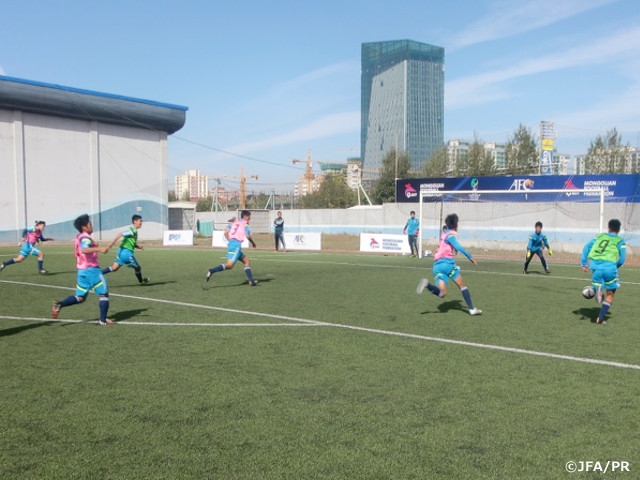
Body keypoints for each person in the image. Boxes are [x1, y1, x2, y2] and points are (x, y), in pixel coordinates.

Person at [51, 214, 113, 325]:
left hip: (81, 272)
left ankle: (60, 304)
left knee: (80, 297)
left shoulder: (78, 237)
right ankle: (102, 320)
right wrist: (99, 248)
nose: (91, 225)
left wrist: (95, 246)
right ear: (84, 227)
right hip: (92, 270)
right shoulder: (85, 238)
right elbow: (84, 249)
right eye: (89, 224)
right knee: (104, 293)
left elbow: (78, 252)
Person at [416, 213, 482, 316]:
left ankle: (427, 285)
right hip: (447, 264)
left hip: (437, 266)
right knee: (462, 285)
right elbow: (458, 247)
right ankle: (471, 309)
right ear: (456, 225)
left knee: (443, 293)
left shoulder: (444, 234)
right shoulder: (451, 235)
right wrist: (470, 257)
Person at [580, 219, 626, 325]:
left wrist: (584, 263)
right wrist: (615, 267)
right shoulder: (620, 241)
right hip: (609, 267)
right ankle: (600, 318)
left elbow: (587, 247)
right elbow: (622, 259)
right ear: (618, 230)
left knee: (598, 286)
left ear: (608, 228)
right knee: (611, 293)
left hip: (595, 266)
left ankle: (595, 290)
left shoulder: (599, 237)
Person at [206, 210, 258, 286]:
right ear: (246, 216)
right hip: (236, 247)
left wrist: (229, 240)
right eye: (249, 216)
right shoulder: (245, 224)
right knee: (229, 265)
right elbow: (247, 236)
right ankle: (211, 271)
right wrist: (253, 243)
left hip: (232, 245)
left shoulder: (235, 223)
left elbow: (225, 232)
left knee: (247, 261)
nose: (250, 218)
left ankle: (251, 281)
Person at [102, 214, 149, 284]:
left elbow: (130, 242)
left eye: (141, 221)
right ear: (135, 221)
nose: (141, 222)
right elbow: (120, 234)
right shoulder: (132, 231)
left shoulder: (134, 231)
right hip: (126, 253)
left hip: (121, 251)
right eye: (140, 221)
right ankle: (141, 282)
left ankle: (97, 274)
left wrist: (138, 246)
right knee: (138, 267)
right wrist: (110, 244)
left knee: (114, 268)